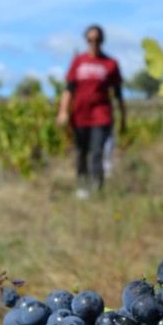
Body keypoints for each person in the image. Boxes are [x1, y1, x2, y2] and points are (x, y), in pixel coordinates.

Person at [57, 24, 125, 199]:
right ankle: (82, 184)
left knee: (96, 152)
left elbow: (118, 94)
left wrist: (123, 117)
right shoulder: (78, 62)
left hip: (101, 115)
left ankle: (98, 186)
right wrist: (63, 111)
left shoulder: (110, 64)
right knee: (81, 152)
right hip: (79, 116)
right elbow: (69, 89)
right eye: (90, 40)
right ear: (86, 41)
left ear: (102, 41)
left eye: (97, 39)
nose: (94, 43)